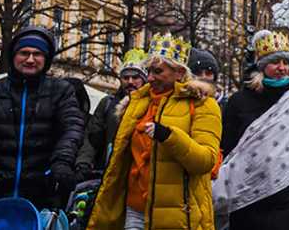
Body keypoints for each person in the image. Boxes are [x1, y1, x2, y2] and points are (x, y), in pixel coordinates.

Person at [86, 33, 221, 230]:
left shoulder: (202, 105)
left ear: (179, 72)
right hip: (135, 209)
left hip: (178, 215)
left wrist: (169, 136)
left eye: (158, 71)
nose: (149, 78)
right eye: (149, 71)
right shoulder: (136, 102)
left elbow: (205, 161)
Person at [0, 26, 84, 219]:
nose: (30, 59)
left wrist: (62, 163)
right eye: (24, 52)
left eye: (37, 54)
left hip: (41, 196)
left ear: (46, 59)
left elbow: (72, 130)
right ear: (13, 55)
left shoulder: (61, 92)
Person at [216, 29, 289, 230]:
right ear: (262, 66)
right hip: (245, 194)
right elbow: (227, 147)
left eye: (286, 63)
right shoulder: (239, 101)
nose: (282, 68)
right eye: (275, 62)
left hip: (288, 194)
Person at [78, 48, 148, 181]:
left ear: (144, 79)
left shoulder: (152, 104)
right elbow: (92, 137)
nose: (130, 82)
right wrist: (83, 164)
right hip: (108, 173)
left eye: (135, 77)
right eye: (126, 77)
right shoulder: (107, 104)